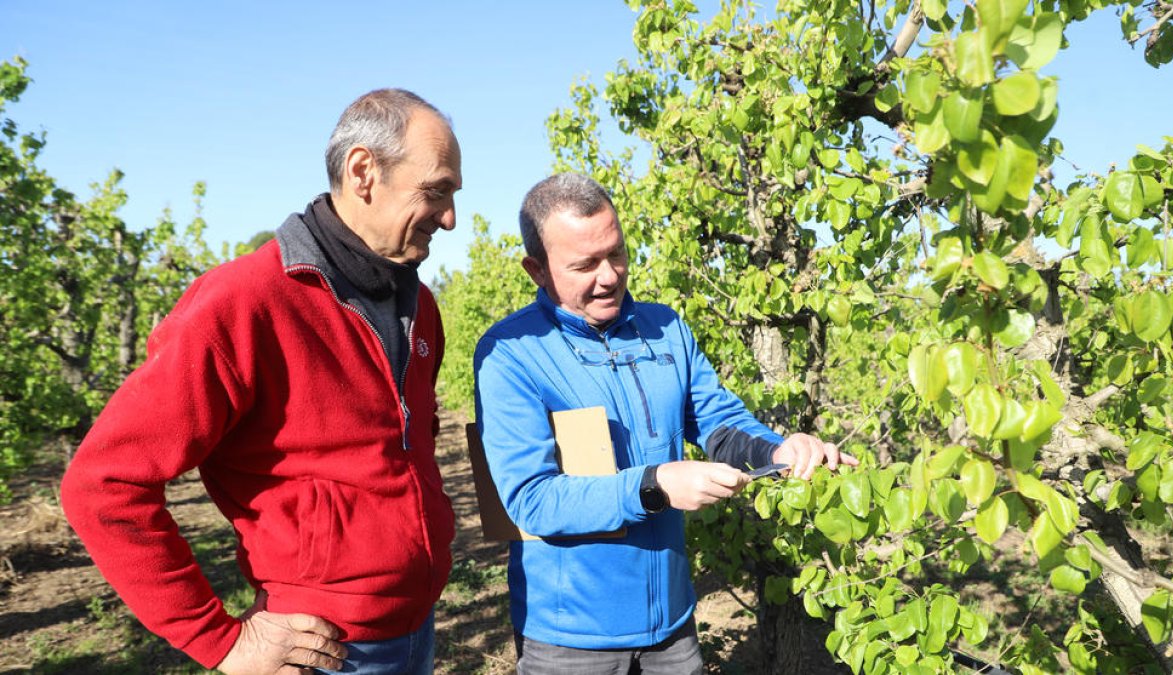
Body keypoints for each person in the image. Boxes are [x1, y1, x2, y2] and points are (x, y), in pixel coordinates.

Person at [60, 88, 462, 675]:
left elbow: (410, 443)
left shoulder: (419, 304)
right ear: (362, 171)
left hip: (415, 628)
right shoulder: (243, 303)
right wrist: (218, 640)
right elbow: (103, 483)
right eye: (436, 191)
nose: (450, 217)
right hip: (322, 651)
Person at [472, 173, 859, 674]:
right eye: (585, 265)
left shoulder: (667, 329)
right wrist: (653, 486)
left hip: (673, 631)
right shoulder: (511, 356)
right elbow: (532, 500)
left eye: (616, 253)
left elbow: (718, 423)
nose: (609, 276)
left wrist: (777, 451)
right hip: (569, 642)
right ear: (537, 270)